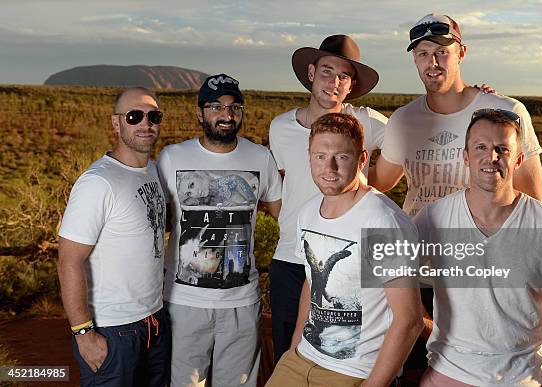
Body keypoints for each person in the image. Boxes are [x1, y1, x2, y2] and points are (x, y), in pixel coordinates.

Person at [413, 109, 542, 386]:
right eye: (481, 147)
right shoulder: (433, 218)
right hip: (445, 375)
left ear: (519, 159)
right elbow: (390, 284)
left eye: (502, 149)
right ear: (466, 156)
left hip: (519, 379)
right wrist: (424, 324)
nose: (491, 157)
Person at [266, 113, 423, 387]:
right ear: (309, 156)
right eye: (319, 156)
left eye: (342, 157)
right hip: (301, 359)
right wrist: (294, 348)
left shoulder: (382, 222)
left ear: (362, 159)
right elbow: (312, 282)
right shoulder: (308, 213)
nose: (329, 167)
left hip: (354, 371)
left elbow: (409, 321)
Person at [268, 34, 388, 363]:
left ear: (351, 85)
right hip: (291, 259)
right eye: (326, 71)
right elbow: (283, 185)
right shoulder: (279, 128)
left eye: (344, 76)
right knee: (288, 355)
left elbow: (410, 140)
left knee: (341, 356)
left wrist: (368, 188)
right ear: (310, 72)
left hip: (344, 262)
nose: (334, 82)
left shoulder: (365, 122)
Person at [157, 73, 282, 387]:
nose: (226, 115)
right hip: (184, 301)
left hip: (241, 301)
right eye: (215, 107)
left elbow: (286, 220)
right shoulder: (172, 158)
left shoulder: (261, 157)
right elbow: (158, 224)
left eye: (234, 107)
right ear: (200, 113)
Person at [369, 13, 542, 219]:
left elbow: (534, 203)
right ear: (415, 59)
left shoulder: (505, 113)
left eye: (442, 51)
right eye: (423, 53)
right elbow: (380, 181)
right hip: (419, 244)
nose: (432, 62)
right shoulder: (403, 119)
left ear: (461, 53)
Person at [57, 87, 170, 386]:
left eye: (153, 116)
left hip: (155, 321)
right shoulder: (98, 182)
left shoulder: (154, 172)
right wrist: (83, 333)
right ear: (116, 123)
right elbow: (69, 260)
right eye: (134, 116)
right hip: (112, 330)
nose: (145, 124)